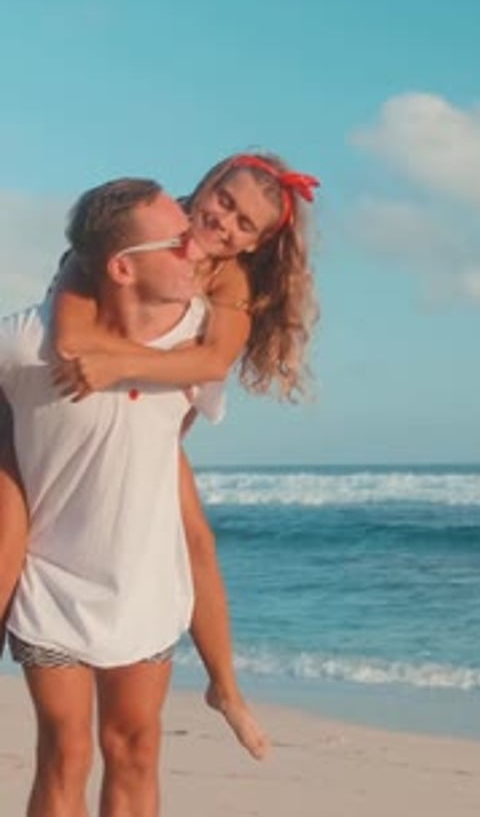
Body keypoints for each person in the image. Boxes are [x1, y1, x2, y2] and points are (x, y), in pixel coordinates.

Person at [0, 152, 319, 768]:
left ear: (254, 244)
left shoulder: (227, 279)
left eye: (244, 225)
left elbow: (210, 363)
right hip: (37, 422)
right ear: (203, 185)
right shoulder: (134, 235)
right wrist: (122, 357)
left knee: (195, 540)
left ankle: (224, 686)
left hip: (148, 433)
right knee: (12, 524)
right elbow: (69, 339)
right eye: (222, 200)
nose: (223, 222)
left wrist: (123, 366)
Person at [0, 178, 230, 817]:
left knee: (134, 750)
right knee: (65, 753)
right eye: (179, 242)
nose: (197, 251)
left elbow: (168, 436)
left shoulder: (197, 342)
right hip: (52, 586)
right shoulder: (26, 342)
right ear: (122, 267)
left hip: (146, 585)